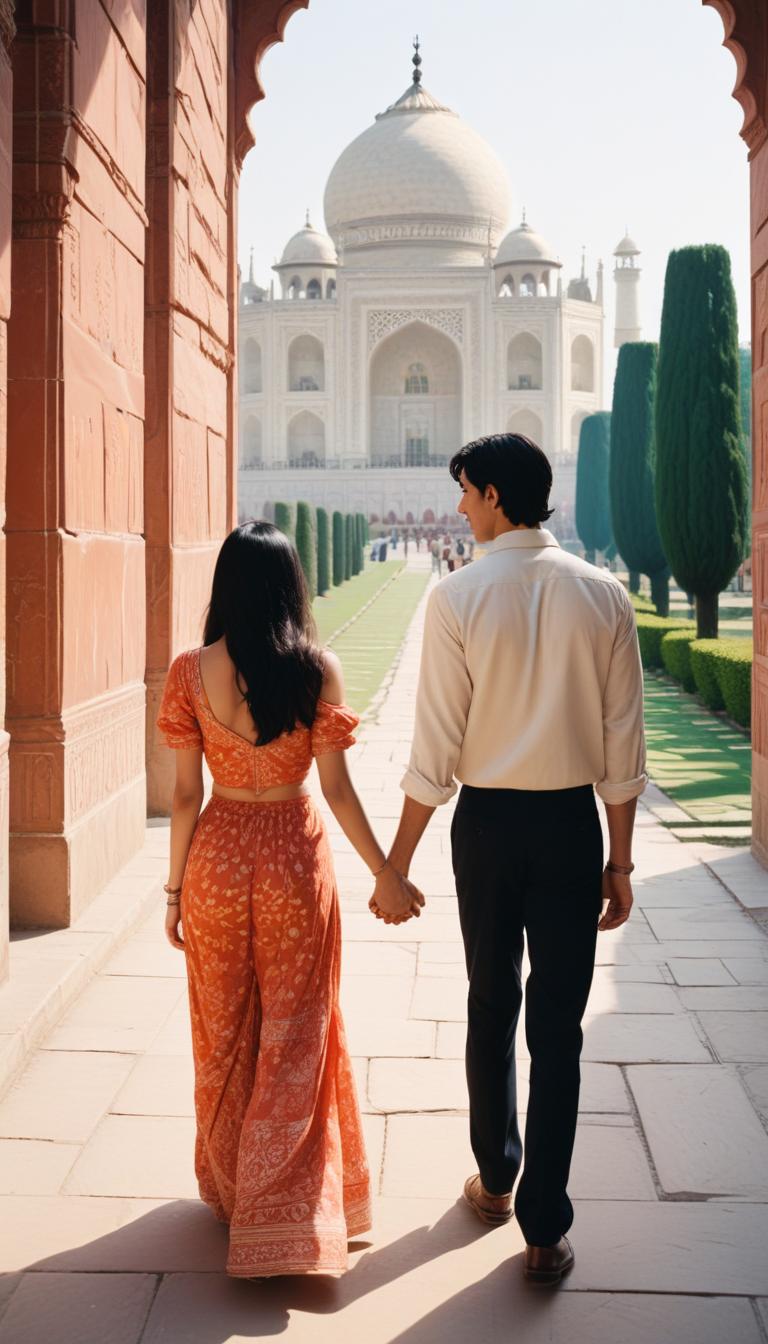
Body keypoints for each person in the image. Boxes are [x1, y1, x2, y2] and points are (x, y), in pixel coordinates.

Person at [371, 433, 646, 1286]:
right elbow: (621, 748)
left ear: (492, 496)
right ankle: (545, 1227)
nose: (458, 508)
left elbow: (436, 751)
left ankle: (495, 1178)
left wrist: (396, 863)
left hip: (486, 830)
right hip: (571, 829)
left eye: (464, 493)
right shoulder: (604, 597)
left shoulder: (458, 597)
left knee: (492, 1002)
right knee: (557, 1029)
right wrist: (621, 862)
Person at [157, 521, 422, 1279]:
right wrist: (384, 871)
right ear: (291, 586)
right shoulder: (316, 672)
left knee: (225, 1031)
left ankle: (240, 1197)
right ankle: (291, 1212)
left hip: (217, 858)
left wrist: (174, 892)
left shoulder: (187, 673)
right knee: (296, 1034)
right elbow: (335, 791)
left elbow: (184, 795)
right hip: (292, 866)